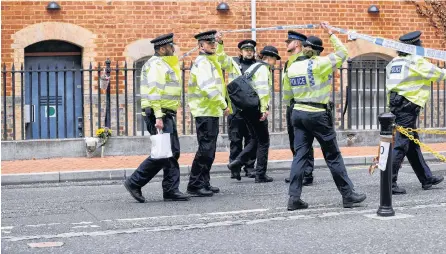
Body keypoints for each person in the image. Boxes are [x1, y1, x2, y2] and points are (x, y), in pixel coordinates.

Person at [284, 22, 366, 210]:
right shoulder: (320, 63)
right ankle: (348, 195)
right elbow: (344, 52)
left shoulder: (292, 67)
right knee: (333, 155)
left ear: (304, 49)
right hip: (318, 114)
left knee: (300, 157)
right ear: (318, 51)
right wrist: (331, 33)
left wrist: (295, 109)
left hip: (297, 113)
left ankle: (293, 198)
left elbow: (287, 96)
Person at [124, 33, 190, 203]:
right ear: (162, 49)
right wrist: (159, 116)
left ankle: (170, 190)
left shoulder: (162, 64)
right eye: (170, 47)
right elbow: (154, 91)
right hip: (158, 114)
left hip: (164, 113)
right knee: (163, 153)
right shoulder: (156, 65)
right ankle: (135, 181)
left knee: (171, 152)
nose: (173, 49)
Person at [386, 30, 445, 195]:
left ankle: (426, 178)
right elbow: (440, 74)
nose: (422, 46)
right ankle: (389, 182)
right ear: (415, 46)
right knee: (401, 145)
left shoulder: (394, 62)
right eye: (420, 44)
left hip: (396, 105)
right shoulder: (416, 61)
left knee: (412, 144)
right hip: (408, 107)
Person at [187, 30, 232, 197]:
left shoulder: (210, 60)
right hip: (205, 110)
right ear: (201, 45)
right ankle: (194, 184)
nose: (212, 45)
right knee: (205, 149)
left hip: (210, 111)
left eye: (213, 42)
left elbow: (221, 58)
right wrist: (223, 104)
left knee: (209, 149)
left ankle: (204, 182)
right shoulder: (203, 63)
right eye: (209, 43)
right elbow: (208, 88)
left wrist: (220, 43)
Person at [227, 45, 281, 183]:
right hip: (256, 109)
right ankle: (260, 174)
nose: (276, 62)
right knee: (264, 141)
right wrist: (264, 109)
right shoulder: (263, 69)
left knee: (255, 139)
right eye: (275, 59)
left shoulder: (253, 67)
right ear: (269, 58)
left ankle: (237, 162)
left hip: (246, 109)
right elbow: (262, 90)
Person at [283, 31, 315, 185]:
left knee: (303, 140)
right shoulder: (289, 61)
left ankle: (307, 173)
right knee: (293, 140)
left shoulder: (306, 59)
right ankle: (299, 170)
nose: (286, 44)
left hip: (302, 103)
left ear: (296, 43)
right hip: (291, 105)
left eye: (288, 41)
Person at [227, 39, 259, 179]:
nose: (249, 52)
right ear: (240, 52)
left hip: (252, 108)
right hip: (236, 108)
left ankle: (249, 167)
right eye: (246, 50)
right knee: (235, 139)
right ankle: (235, 166)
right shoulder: (234, 65)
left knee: (251, 138)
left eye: (251, 50)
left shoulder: (258, 66)